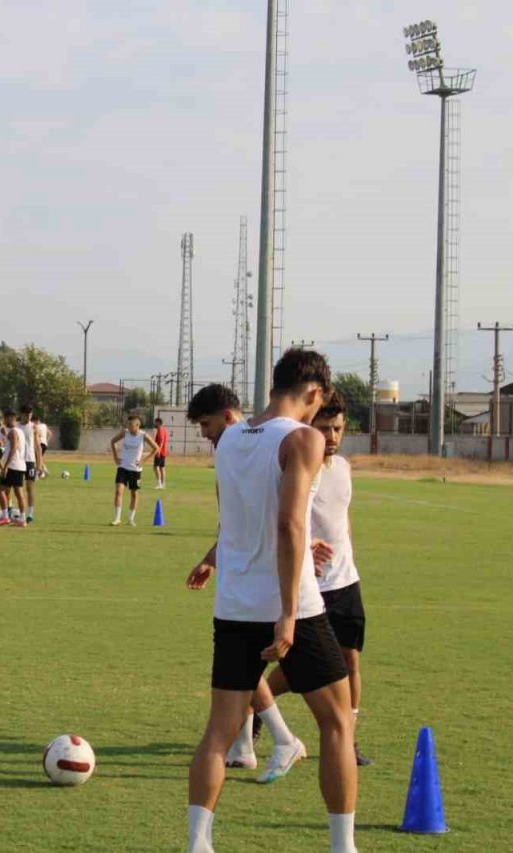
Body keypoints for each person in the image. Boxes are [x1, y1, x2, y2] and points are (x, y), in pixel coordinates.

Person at [184, 350, 358, 853]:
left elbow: (234, 523)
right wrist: (286, 613)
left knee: (219, 731)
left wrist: (215, 560)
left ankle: (198, 845)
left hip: (234, 607)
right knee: (337, 722)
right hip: (295, 609)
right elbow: (287, 524)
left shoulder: (230, 439)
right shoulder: (304, 438)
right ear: (313, 393)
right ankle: (342, 847)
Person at [183, 385, 303, 780]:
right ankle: (252, 745)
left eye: (206, 424)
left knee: (254, 672)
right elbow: (232, 522)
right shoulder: (228, 452)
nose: (203, 434)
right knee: (244, 672)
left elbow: (284, 520)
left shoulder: (272, 445)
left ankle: (282, 740)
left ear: (230, 418)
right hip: (240, 582)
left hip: (265, 586)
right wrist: (211, 559)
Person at [261, 391, 372, 766]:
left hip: (345, 582)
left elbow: (343, 519)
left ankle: (349, 741)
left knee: (350, 661)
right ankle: (255, 712)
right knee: (294, 670)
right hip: (310, 586)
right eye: (325, 428)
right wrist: (306, 548)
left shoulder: (342, 468)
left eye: (338, 428)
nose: (333, 436)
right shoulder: (299, 466)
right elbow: (285, 520)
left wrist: (348, 558)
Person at [109, 415, 159, 526]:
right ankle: (117, 518)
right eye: (128, 424)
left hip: (135, 470)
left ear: (137, 425)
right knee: (118, 491)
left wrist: (144, 460)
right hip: (123, 467)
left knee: (134, 494)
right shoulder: (125, 433)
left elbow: (156, 448)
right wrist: (116, 457)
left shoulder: (143, 436)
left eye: (131, 424)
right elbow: (113, 441)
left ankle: (131, 519)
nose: (128, 426)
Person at [0, 410, 27, 527]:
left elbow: (13, 448)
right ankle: (22, 519)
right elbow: (12, 443)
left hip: (12, 466)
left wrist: (5, 466)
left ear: (11, 418)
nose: (4, 421)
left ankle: (6, 517)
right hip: (19, 465)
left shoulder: (13, 432)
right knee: (18, 492)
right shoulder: (19, 432)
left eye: (6, 418)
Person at [19, 405, 42, 522]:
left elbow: (38, 446)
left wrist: (40, 463)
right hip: (18, 461)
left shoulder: (33, 427)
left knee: (29, 487)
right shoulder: (17, 427)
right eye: (27, 414)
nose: (29, 417)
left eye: (30, 414)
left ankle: (30, 513)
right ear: (22, 414)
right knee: (17, 488)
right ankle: (19, 511)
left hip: (30, 461)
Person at [154, 417, 170, 489]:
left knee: (156, 467)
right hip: (164, 452)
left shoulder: (160, 429)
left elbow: (161, 441)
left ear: (158, 423)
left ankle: (159, 484)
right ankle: (163, 484)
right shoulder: (164, 429)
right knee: (162, 467)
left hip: (160, 451)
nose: (154, 424)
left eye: (155, 422)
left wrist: (158, 451)